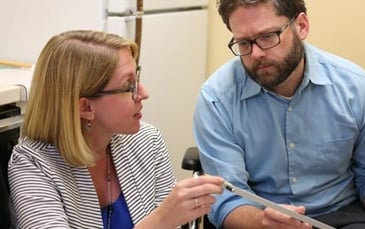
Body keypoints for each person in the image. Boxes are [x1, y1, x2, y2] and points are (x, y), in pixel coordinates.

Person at [193, 0, 365, 228]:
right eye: (244, 43)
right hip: (255, 219)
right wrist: (263, 222)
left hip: (339, 214)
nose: (256, 54)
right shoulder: (217, 98)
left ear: (301, 26)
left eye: (268, 37)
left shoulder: (356, 88)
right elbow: (227, 197)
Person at [8, 30, 224, 229]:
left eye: (137, 77)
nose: (144, 93)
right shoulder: (33, 164)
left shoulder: (147, 141)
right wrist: (159, 221)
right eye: (129, 85)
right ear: (85, 107)